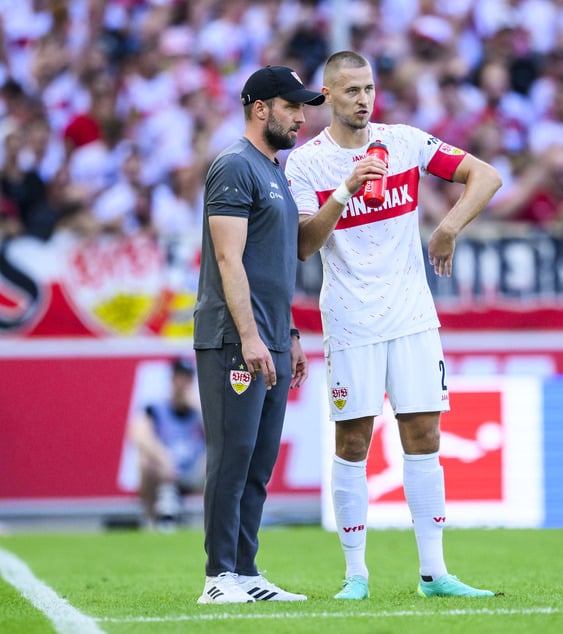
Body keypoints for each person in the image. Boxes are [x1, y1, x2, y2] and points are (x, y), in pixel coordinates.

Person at [286, 51, 503, 600]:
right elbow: (303, 245)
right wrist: (347, 189)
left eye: (369, 88)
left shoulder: (404, 142)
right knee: (354, 442)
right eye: (352, 90)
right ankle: (355, 574)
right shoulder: (306, 163)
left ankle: (435, 573)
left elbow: (487, 175)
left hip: (411, 315)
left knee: (424, 437)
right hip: (351, 320)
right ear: (328, 96)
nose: (363, 99)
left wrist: (448, 227)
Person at [192, 65, 318, 605]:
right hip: (233, 338)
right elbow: (228, 259)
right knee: (233, 455)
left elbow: (273, 265)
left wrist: (286, 330)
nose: (301, 117)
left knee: (259, 463)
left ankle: (245, 571)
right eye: (291, 106)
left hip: (269, 337)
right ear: (260, 108)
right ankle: (218, 577)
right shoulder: (233, 167)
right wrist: (248, 335)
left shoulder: (274, 173)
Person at [126, 357, 205, 531]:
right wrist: (162, 457)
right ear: (172, 379)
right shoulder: (156, 408)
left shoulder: (199, 410)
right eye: (179, 377)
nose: (183, 383)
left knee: (217, 459)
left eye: (187, 378)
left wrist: (199, 408)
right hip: (164, 469)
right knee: (144, 460)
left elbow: (218, 436)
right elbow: (137, 433)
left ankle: (220, 522)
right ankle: (150, 519)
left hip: (194, 469)